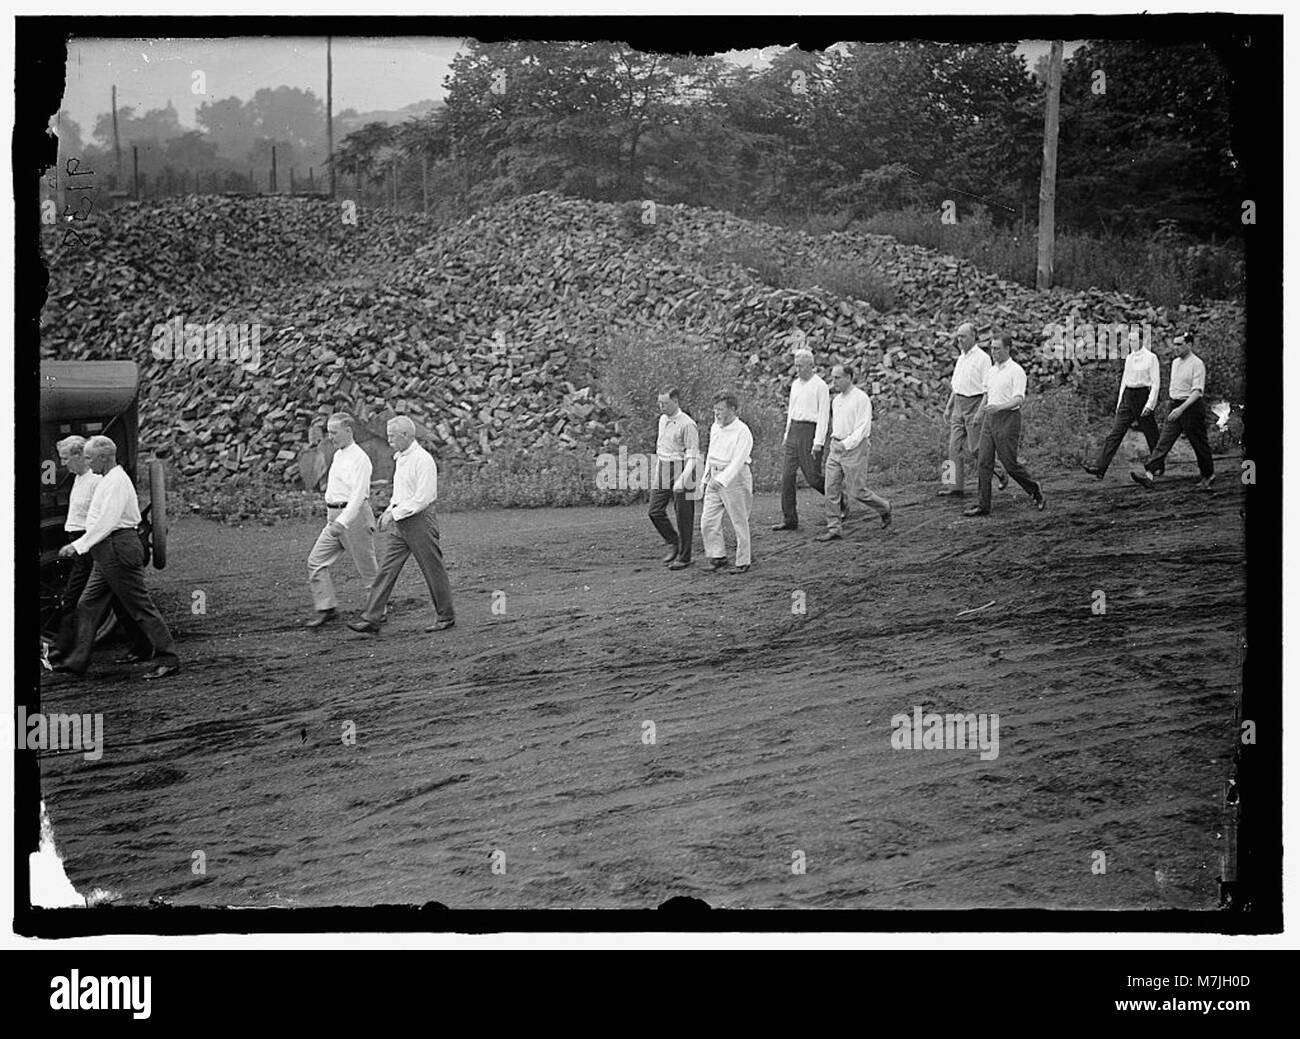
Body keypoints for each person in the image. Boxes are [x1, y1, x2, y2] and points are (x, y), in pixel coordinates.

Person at [51, 436, 180, 679]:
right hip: (106, 550)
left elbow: (108, 521)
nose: (87, 462)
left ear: (103, 457)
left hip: (118, 548)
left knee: (140, 607)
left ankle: (168, 659)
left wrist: (78, 545)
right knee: (88, 603)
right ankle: (78, 660)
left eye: (90, 458)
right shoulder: (106, 479)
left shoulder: (117, 482)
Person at [348, 416, 455, 634]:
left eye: (392, 436)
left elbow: (423, 498)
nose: (389, 440)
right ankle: (372, 617)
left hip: (420, 522)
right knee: (386, 569)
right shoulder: (401, 458)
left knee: (432, 569)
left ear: (406, 435)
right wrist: (389, 510)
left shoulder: (423, 460)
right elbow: (401, 494)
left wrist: (393, 514)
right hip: (401, 523)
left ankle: (446, 616)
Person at [305, 413, 378, 628]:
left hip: (353, 517)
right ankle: (327, 607)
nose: (331, 437)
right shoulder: (338, 454)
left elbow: (359, 495)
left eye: (334, 432)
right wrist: (334, 518)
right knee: (316, 561)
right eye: (329, 432)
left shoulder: (360, 459)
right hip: (334, 516)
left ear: (348, 431)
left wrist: (343, 521)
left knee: (367, 569)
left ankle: (377, 613)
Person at [964, 332, 1047, 517]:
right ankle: (983, 505)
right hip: (990, 420)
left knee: (1009, 464)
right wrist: (979, 414)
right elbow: (987, 394)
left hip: (1008, 419)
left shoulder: (1016, 371)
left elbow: (1018, 399)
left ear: (1008, 349)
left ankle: (1034, 489)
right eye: (992, 348)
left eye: (997, 349)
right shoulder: (991, 371)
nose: (994, 352)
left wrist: (998, 407)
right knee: (984, 462)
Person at [815, 365, 892, 541]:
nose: (834, 382)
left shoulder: (861, 398)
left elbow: (863, 428)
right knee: (830, 489)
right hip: (836, 446)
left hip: (855, 449)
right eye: (833, 378)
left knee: (857, 491)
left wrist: (847, 444)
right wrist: (835, 443)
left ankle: (884, 507)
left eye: (838, 378)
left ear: (849, 377)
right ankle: (834, 528)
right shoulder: (836, 400)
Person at [1131, 334, 1216, 490]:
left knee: (1198, 443)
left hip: (1191, 408)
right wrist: (1171, 404)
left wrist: (1181, 409)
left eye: (1179, 344)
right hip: (1175, 406)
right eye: (1174, 344)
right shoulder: (1175, 363)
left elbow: (1197, 392)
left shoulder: (1197, 364)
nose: (1175, 348)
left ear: (1189, 344)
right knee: (1164, 441)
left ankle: (1208, 475)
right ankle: (1149, 475)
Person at [1083, 328, 1161, 479]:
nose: (1131, 343)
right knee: (1115, 433)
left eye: (1133, 340)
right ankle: (1100, 467)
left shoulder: (1151, 358)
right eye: (1129, 340)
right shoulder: (1130, 358)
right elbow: (1124, 381)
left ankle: (1157, 466)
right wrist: (1120, 403)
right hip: (1128, 397)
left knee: (1151, 433)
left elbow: (1155, 383)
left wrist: (1150, 404)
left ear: (1141, 340)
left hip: (1142, 396)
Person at [940, 322, 1005, 497]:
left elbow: (988, 388)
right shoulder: (961, 358)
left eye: (963, 336)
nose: (959, 340)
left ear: (973, 337)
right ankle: (953, 487)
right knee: (953, 448)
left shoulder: (983, 358)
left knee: (976, 448)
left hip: (974, 403)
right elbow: (956, 386)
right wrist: (948, 407)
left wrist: (980, 412)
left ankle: (1000, 471)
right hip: (958, 405)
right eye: (958, 336)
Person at [771, 347, 830, 531]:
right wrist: (787, 433)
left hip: (810, 431)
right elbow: (792, 410)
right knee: (787, 476)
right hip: (794, 431)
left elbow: (823, 416)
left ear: (811, 365)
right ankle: (790, 519)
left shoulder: (820, 386)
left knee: (813, 477)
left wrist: (818, 442)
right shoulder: (795, 384)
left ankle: (839, 499)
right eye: (796, 366)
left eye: (801, 366)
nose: (797, 370)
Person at [699, 392, 754, 574]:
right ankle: (717, 556)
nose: (717, 413)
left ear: (732, 409)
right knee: (708, 520)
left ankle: (743, 561)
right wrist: (705, 478)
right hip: (714, 476)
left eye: (721, 409)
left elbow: (738, 460)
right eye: (715, 409)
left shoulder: (742, 431)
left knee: (739, 520)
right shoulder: (715, 427)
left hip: (734, 479)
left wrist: (722, 480)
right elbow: (711, 453)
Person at [647, 388, 701, 570]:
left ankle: (685, 557)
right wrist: (658, 471)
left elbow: (693, 456)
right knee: (654, 511)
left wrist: (683, 479)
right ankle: (674, 541)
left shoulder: (688, 425)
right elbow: (661, 448)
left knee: (683, 515)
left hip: (683, 467)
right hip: (664, 466)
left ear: (676, 402)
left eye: (665, 403)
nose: (661, 407)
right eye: (659, 403)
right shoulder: (663, 420)